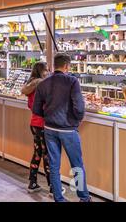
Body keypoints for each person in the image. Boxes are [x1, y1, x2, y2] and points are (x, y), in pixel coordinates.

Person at [32, 53, 91, 203]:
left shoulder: (43, 83)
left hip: (50, 129)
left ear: (54, 65)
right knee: (77, 164)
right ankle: (84, 197)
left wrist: (48, 116)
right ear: (66, 66)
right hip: (68, 129)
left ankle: (59, 198)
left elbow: (36, 109)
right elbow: (79, 106)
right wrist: (75, 121)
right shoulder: (72, 82)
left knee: (54, 165)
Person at [21, 62, 51, 194]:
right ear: (41, 71)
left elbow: (30, 105)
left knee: (38, 153)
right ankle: (53, 187)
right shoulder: (43, 85)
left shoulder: (30, 85)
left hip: (34, 123)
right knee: (48, 155)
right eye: (46, 70)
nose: (48, 72)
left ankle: (32, 182)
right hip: (44, 124)